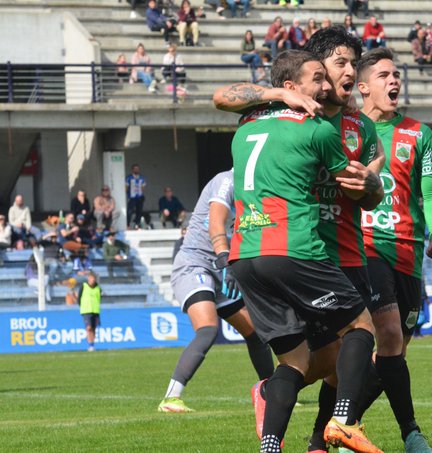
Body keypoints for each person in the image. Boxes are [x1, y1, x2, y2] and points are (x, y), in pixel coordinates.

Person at [213, 27, 386, 451]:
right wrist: (371, 177)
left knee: (316, 360)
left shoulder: (254, 122)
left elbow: (366, 196)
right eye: (330, 70)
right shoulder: (315, 127)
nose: (335, 80)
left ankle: (284, 436)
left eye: (348, 67)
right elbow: (220, 96)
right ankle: (341, 424)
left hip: (257, 251)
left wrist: (374, 179)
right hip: (300, 248)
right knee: (361, 334)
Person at [356, 47, 432, 452]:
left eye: (396, 74)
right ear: (363, 87)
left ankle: (341, 424)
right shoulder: (346, 129)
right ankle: (412, 434)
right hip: (365, 247)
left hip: (410, 253)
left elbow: (429, 190)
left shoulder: (418, 132)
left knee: (393, 352)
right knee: (389, 332)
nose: (394, 80)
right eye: (383, 75)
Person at [158, 171, 275, 414]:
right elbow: (216, 223)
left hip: (222, 270)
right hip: (195, 264)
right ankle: (171, 397)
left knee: (256, 333)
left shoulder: (257, 186)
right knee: (208, 329)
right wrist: (227, 259)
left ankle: (272, 392)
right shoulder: (227, 181)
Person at [78, 272, 101, 352]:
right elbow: (79, 298)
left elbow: (99, 298)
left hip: (95, 310)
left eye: (93, 279)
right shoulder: (84, 286)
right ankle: (90, 344)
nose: (92, 280)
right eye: (91, 279)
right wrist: (82, 306)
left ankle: (92, 345)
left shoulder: (98, 288)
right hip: (86, 310)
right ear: (88, 279)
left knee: (94, 329)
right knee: (89, 328)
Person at [125, 164, 146, 229]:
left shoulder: (142, 178)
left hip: (139, 197)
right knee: (130, 211)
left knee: (139, 211)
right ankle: (127, 224)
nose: (137, 170)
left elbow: (143, 187)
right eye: (135, 168)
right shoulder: (129, 177)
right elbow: (126, 187)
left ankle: (137, 224)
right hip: (132, 197)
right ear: (132, 170)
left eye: (138, 168)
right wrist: (128, 193)